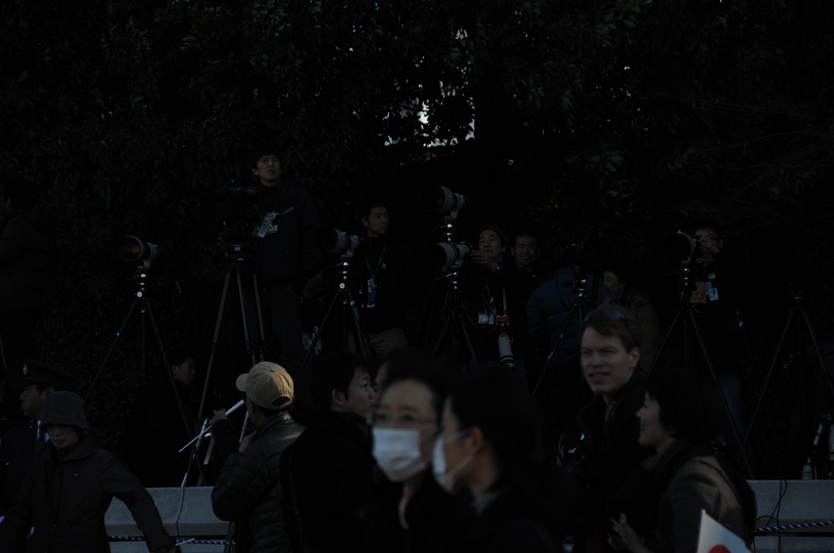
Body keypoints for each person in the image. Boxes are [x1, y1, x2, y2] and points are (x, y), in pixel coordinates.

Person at [0, 391, 177, 553]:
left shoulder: (100, 462)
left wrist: (160, 543)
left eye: (63, 425)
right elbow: (19, 514)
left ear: (77, 426)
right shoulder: (41, 463)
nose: (56, 432)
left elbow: (137, 498)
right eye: (51, 426)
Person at [609, 370, 756, 553]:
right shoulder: (684, 468)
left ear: (672, 415)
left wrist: (637, 548)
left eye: (646, 406)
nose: (638, 414)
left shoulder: (694, 483)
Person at [432, 368, 568, 552]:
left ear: (474, 441)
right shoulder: (489, 518)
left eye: (443, 428)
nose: (438, 442)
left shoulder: (515, 538)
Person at [566, 304, 651, 553]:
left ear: (633, 357)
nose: (595, 363)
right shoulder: (595, 415)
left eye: (607, 352)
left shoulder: (650, 417)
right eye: (586, 353)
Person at [371, 351, 473, 553]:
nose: (391, 429)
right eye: (383, 416)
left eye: (408, 418)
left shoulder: (464, 513)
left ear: (443, 426)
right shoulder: (379, 501)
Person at [282, 352, 381, 553]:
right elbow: (363, 534)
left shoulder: (293, 452)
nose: (373, 394)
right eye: (364, 385)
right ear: (338, 397)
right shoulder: (350, 454)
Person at [211, 361, 304, 553]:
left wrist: (238, 454)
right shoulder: (310, 438)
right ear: (292, 399)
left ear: (251, 406)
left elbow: (222, 504)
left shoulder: (257, 453)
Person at [249, 149, 321, 371]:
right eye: (264, 160)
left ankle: (296, 391)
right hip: (254, 286)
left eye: (275, 160)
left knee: (293, 350)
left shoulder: (297, 195)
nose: (270, 164)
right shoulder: (250, 200)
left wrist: (303, 274)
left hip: (288, 285)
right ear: (255, 169)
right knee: (259, 347)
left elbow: (313, 235)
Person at [459, 225, 536, 382]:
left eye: (492, 239)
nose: (486, 244)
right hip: (477, 357)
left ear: (504, 247)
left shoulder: (516, 273)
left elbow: (523, 286)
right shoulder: (469, 277)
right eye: (482, 241)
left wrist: (494, 267)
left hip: (512, 355)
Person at [0, 359, 74, 515]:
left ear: (48, 393)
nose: (22, 397)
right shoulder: (14, 436)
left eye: (27, 390)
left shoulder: (76, 438)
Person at [351, 199, 421, 359]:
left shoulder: (399, 251)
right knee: (356, 370)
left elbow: (415, 288)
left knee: (398, 370)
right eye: (377, 216)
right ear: (364, 221)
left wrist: (393, 304)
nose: (384, 221)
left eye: (386, 216)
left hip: (390, 329)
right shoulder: (355, 250)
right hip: (357, 329)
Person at [121, 350, 199, 487]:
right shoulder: (159, 392)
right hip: (152, 459)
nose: (193, 373)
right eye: (189, 367)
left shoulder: (172, 390)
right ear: (174, 369)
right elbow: (160, 423)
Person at [0, 176, 48, 382]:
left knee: (14, 360)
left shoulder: (17, 225)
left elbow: (4, 253)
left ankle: (18, 396)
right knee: (23, 357)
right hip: (24, 302)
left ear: (9, 200)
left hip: (13, 304)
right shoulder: (32, 223)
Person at [602, 266, 660, 375]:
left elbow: (648, 343)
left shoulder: (641, 309)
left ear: (622, 283)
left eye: (609, 279)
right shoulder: (606, 307)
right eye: (604, 280)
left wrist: (645, 372)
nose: (605, 284)